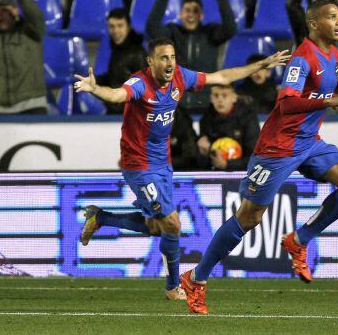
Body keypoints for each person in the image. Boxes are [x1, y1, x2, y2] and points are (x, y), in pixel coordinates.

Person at [179, 0, 338, 315]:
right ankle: (196, 278)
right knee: (250, 218)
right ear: (313, 23)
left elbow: (318, 93)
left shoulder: (335, 55)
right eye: (331, 17)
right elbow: (286, 103)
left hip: (309, 142)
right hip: (278, 147)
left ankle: (299, 239)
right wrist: (331, 100)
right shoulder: (302, 58)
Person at [75, 38, 288, 300]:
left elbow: (220, 76)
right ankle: (173, 287)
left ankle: (100, 217)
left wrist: (262, 65)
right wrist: (95, 89)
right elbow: (118, 94)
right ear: (150, 62)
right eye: (163, 58)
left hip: (162, 164)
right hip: (138, 164)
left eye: (172, 57)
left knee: (156, 227)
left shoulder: (180, 77)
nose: (169, 63)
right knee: (172, 224)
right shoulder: (140, 83)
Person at [146, 0, 237, 112]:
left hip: (206, 105)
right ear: (180, 14)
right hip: (177, 105)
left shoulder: (210, 33)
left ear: (202, 15)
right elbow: (152, 29)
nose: (191, 15)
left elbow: (230, 28)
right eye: (187, 10)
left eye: (195, 11)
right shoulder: (172, 33)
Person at [197, 84, 260, 170]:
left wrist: (228, 165)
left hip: (242, 172)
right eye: (216, 95)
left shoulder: (248, 118)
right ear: (211, 98)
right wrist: (203, 153)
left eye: (224, 95)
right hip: (214, 173)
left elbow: (255, 158)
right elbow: (200, 162)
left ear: (234, 97)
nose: (220, 99)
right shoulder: (206, 119)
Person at [96, 8, 146, 114]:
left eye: (120, 26)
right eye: (112, 26)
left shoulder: (138, 53)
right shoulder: (118, 49)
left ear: (128, 27)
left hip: (127, 115)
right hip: (117, 108)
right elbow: (115, 77)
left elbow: (144, 90)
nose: (115, 31)